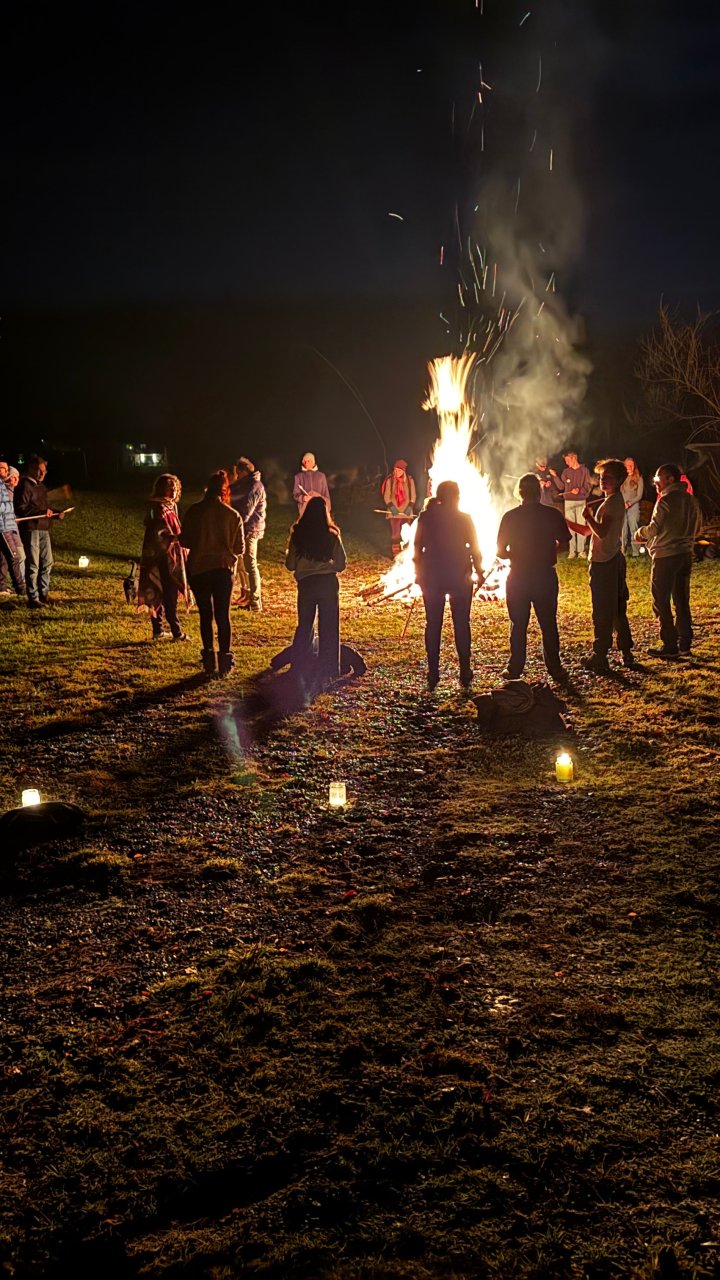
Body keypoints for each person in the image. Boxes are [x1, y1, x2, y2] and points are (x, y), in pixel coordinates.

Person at [496, 473, 571, 682]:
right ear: (539, 492)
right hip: (545, 575)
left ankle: (515, 668)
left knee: (518, 623)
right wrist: (547, 553)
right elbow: (564, 544)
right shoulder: (552, 514)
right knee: (548, 623)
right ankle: (555, 668)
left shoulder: (510, 517)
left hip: (518, 576)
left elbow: (500, 551)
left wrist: (517, 555)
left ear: (519, 492)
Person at [413, 480, 482, 691]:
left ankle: (433, 671)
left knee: (433, 624)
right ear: (456, 496)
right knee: (462, 623)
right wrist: (478, 570)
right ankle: (465, 670)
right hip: (459, 575)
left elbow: (418, 545)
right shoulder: (464, 518)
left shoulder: (427, 517)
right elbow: (474, 548)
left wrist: (418, 571)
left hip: (432, 575)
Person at [568, 458, 635, 674]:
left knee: (603, 610)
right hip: (610, 558)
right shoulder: (610, 501)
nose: (603, 480)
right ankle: (626, 652)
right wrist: (567, 523)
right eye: (601, 477)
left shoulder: (614, 502)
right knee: (616, 609)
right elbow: (588, 532)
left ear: (619, 481)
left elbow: (601, 531)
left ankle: (600, 655)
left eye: (608, 478)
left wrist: (588, 517)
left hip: (605, 563)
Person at [635, 462, 703, 658]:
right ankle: (685, 642)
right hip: (685, 555)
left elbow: (654, 528)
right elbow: (698, 528)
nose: (655, 483)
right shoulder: (692, 501)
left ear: (670, 479)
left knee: (661, 600)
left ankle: (670, 644)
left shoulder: (665, 500)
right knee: (682, 600)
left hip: (665, 556)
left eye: (658, 479)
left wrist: (641, 533)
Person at [181, 471, 246, 675]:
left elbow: (185, 541)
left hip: (199, 568)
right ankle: (226, 657)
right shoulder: (232, 515)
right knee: (222, 615)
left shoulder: (194, 511)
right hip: (223, 569)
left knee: (205, 615)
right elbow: (240, 548)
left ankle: (209, 656)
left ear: (207, 488)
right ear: (224, 490)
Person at [285, 494, 346, 683]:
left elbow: (290, 564)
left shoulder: (298, 535)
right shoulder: (332, 535)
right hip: (327, 583)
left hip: (307, 584)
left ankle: (301, 664)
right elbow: (342, 564)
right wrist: (329, 567)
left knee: (305, 625)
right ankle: (329, 667)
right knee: (329, 626)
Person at [138, 473, 189, 642]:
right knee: (166, 593)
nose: (173, 490)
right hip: (161, 558)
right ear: (162, 489)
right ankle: (175, 632)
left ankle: (159, 630)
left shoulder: (169, 506)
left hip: (168, 555)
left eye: (175, 487)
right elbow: (158, 532)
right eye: (170, 487)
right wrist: (177, 538)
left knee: (165, 592)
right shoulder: (158, 508)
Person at [13, 455, 66, 608]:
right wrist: (43, 511)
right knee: (33, 564)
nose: (42, 474)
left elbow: (44, 508)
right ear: (31, 469)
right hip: (31, 529)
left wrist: (56, 513)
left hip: (43, 529)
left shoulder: (41, 487)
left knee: (48, 563)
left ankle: (44, 594)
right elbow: (21, 508)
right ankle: (33, 598)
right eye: (39, 470)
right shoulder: (24, 485)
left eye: (44, 471)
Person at [230, 457, 267, 612]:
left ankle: (255, 601)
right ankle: (246, 594)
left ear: (243, 471)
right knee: (241, 563)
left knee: (250, 563)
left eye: (237, 472)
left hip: (250, 529)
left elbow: (246, 510)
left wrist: (232, 520)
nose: (235, 475)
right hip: (242, 528)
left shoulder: (254, 486)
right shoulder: (243, 485)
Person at [558, 449, 593, 558]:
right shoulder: (565, 472)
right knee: (571, 527)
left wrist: (579, 490)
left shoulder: (585, 471)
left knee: (581, 525)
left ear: (574, 458)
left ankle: (581, 550)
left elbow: (588, 487)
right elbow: (561, 487)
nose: (566, 463)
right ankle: (572, 551)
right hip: (568, 502)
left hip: (581, 501)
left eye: (568, 460)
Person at [0, 461, 25, 597]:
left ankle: (1, 587)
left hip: (6, 525)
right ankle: (21, 589)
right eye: (1, 468)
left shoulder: (8, 487)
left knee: (3, 558)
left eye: (5, 468)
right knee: (13, 557)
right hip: (3, 527)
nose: (4, 470)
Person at [381, 459, 417, 556]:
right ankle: (396, 554)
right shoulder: (390, 480)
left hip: (406, 511)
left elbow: (413, 495)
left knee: (406, 532)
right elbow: (386, 496)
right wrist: (392, 507)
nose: (397, 472)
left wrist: (410, 507)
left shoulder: (409, 480)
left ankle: (406, 554)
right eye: (395, 470)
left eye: (399, 470)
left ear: (403, 471)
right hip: (394, 512)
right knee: (395, 533)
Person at [621, 457, 644, 556]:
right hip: (622, 506)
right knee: (623, 529)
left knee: (633, 528)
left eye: (631, 465)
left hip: (633, 506)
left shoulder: (638, 478)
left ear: (634, 466)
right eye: (627, 465)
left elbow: (639, 495)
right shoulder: (621, 478)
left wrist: (630, 503)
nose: (629, 467)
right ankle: (623, 551)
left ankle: (635, 552)